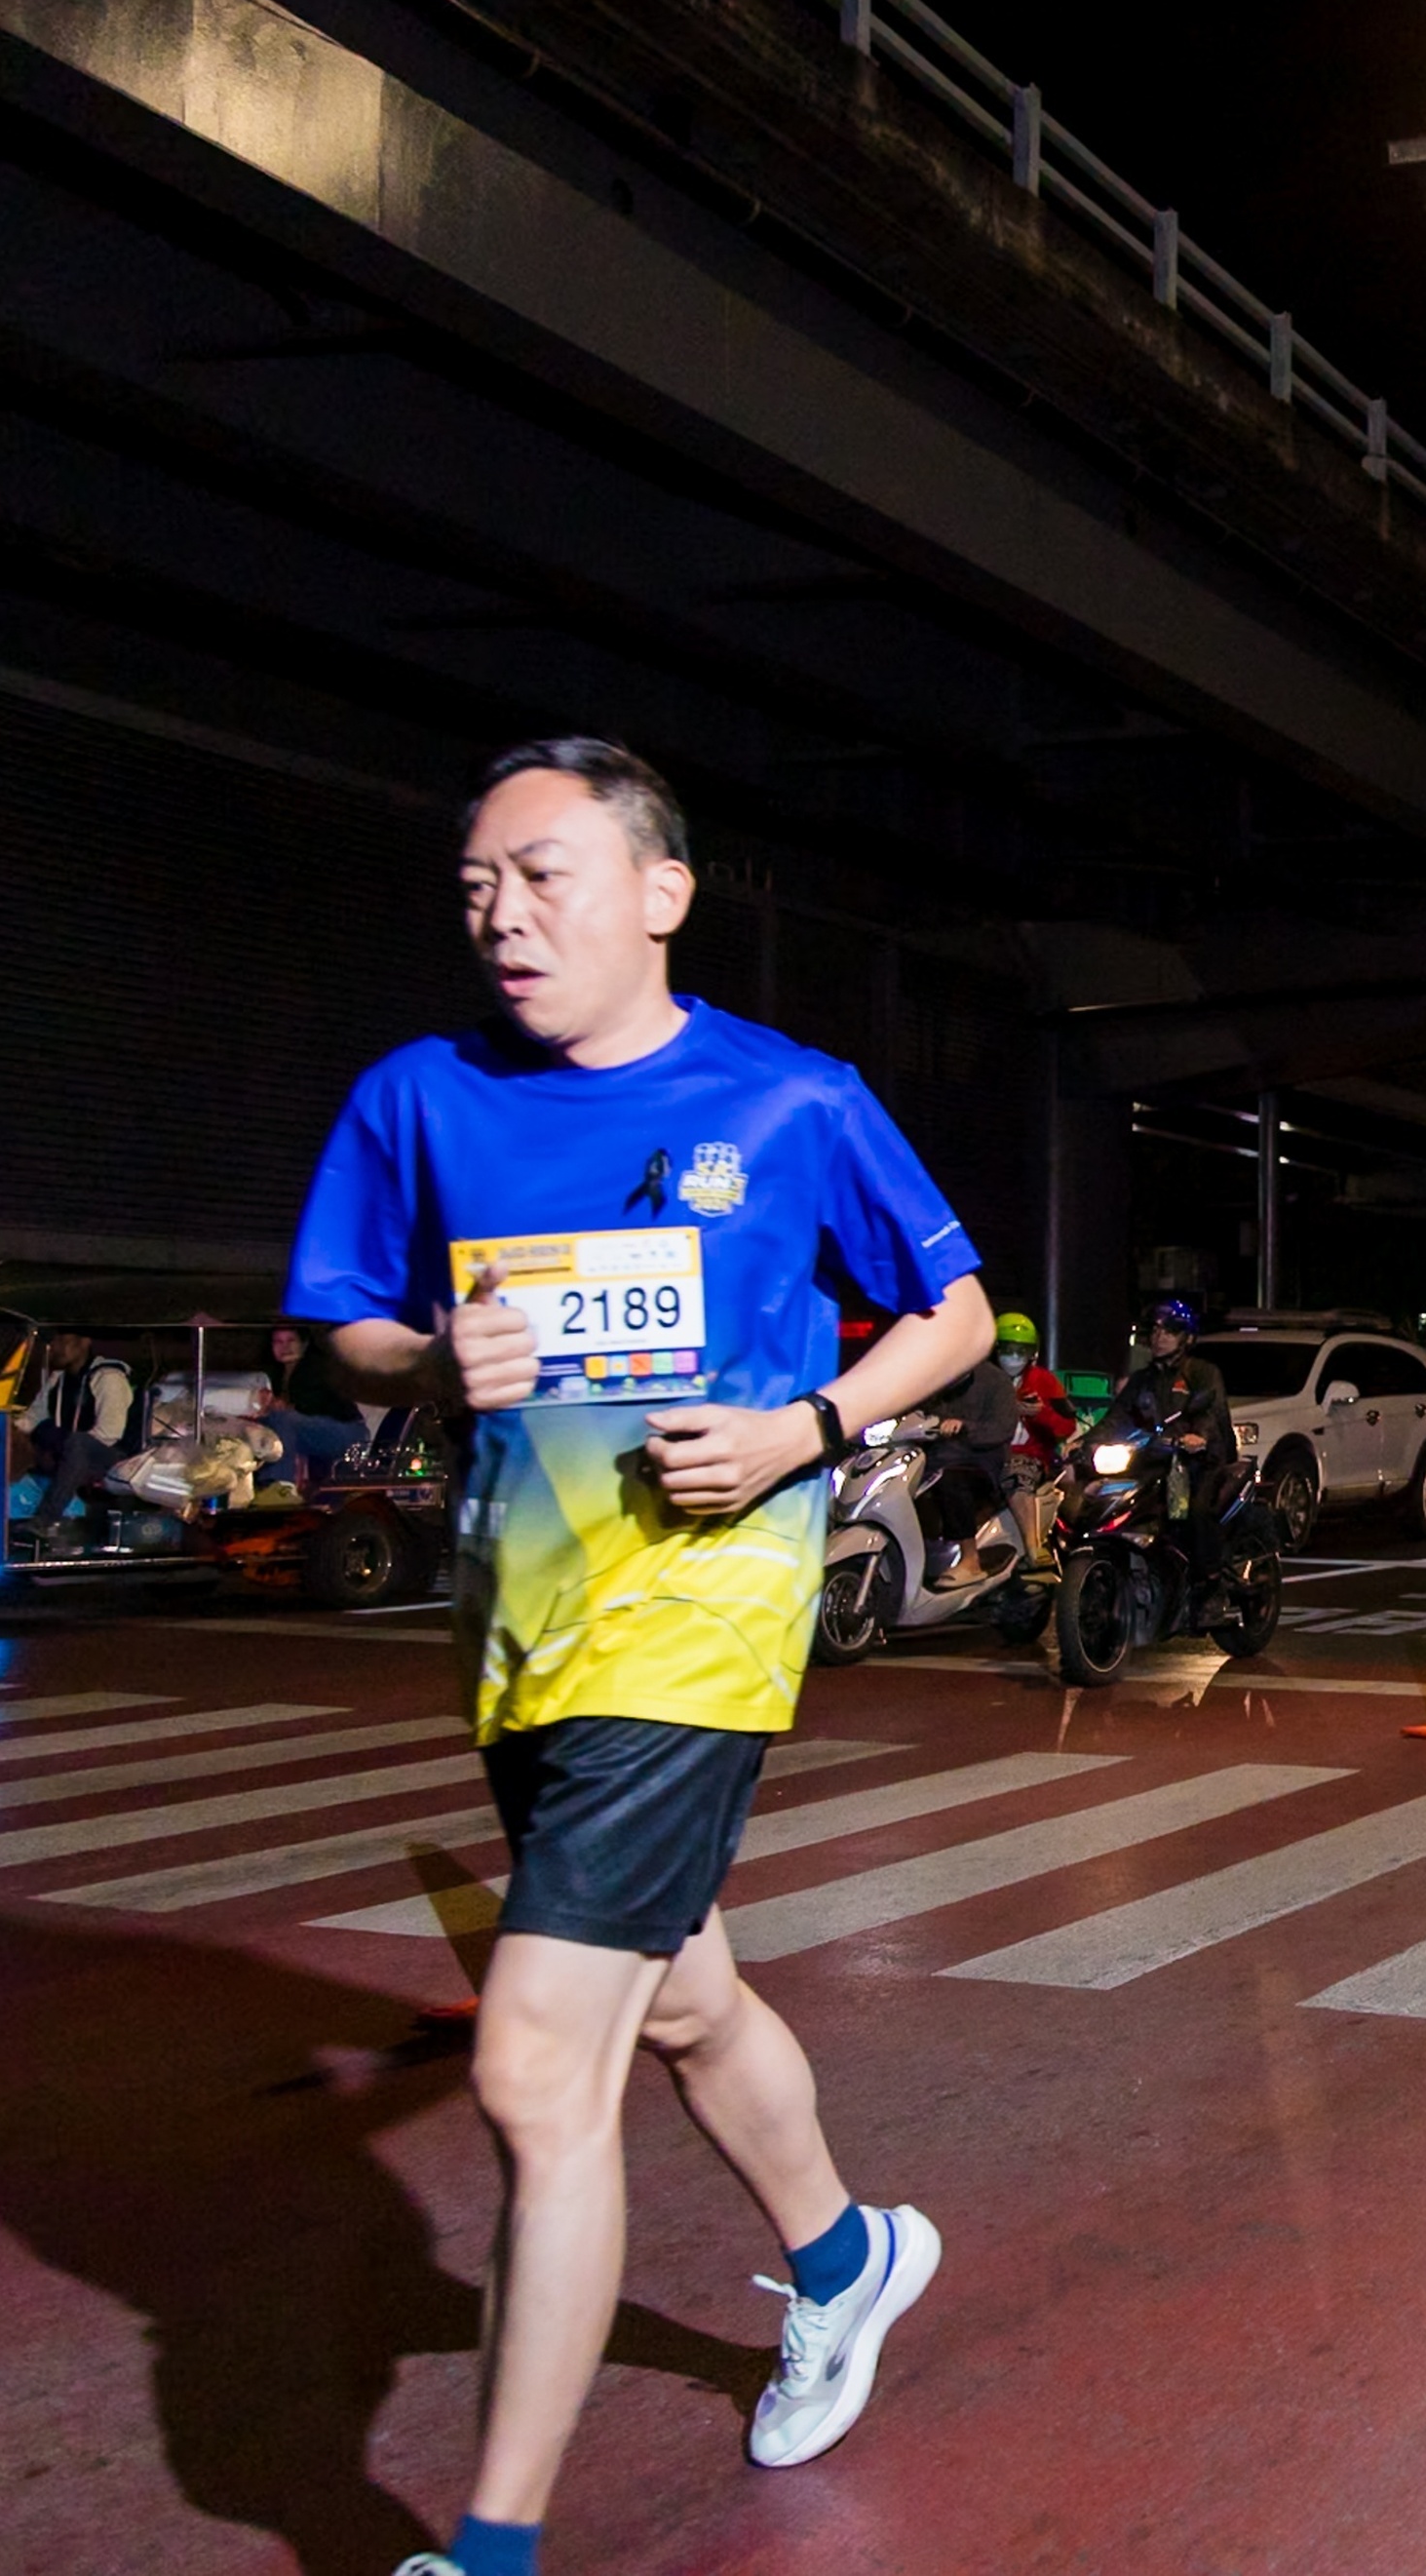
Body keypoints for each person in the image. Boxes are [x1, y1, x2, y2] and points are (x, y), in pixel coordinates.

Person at [289, 737, 995, 2576]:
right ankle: (850, 2258)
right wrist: (429, 1358)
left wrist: (801, 1432)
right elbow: (343, 1331)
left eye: (544, 876)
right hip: (522, 1620)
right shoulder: (420, 1096)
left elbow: (958, 1311)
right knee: (678, 2000)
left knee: (538, 2070)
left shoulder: (794, 1099)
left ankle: (493, 2551)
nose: (503, 917)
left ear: (661, 893)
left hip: (702, 1615)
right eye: (477, 887)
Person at [922, 1310, 1072, 1587]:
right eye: (1007, 1350)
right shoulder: (968, 1379)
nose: (1013, 1357)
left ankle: (1033, 1548)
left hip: (1023, 1455)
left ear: (1032, 1353)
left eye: (1020, 1351)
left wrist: (1040, 1414)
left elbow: (1067, 1424)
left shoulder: (1043, 1381)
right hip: (977, 1455)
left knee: (1014, 1474)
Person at [1105, 1297, 1238, 1574]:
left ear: (1187, 1338)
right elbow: (1117, 1416)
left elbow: (1210, 1411)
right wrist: (1083, 1443)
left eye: (1169, 1331)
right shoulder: (1142, 1379)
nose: (1159, 1337)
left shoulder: (1202, 1372)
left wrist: (1199, 1436)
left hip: (1200, 1461)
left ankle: (1210, 1578)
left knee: (1197, 1512)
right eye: (1156, 1330)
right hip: (1156, 1458)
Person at [21, 1327, 135, 1542]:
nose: (56, 1348)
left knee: (78, 1442)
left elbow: (109, 1433)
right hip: (69, 1453)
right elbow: (33, 1417)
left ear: (84, 1342)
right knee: (35, 1435)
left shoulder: (108, 1377)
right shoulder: (58, 1379)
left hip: (111, 1458)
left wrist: (64, 1452)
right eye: (54, 1342)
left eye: (63, 1340)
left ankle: (46, 1519)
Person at [259, 1321, 371, 1488]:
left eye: (291, 1341)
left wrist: (275, 1405)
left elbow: (306, 1406)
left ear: (304, 1343)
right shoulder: (273, 1373)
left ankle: (279, 1485)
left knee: (282, 1419)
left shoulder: (317, 1368)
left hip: (347, 1433)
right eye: (278, 1342)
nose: (285, 1347)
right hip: (316, 1429)